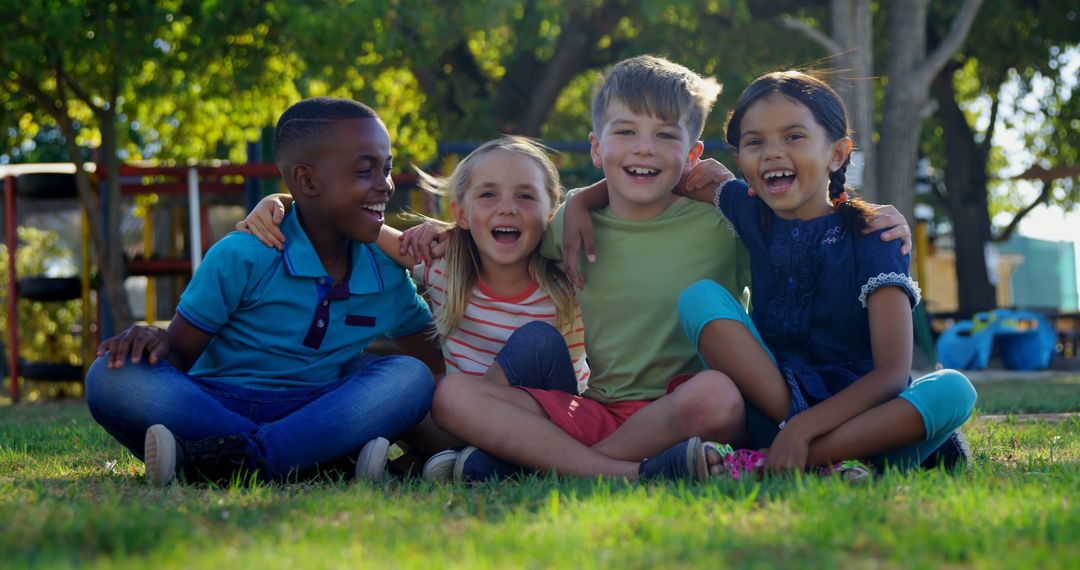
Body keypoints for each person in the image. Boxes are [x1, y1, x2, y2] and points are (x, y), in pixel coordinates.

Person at [84, 97, 440, 486]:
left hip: (319, 409)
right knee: (111, 376)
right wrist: (151, 342)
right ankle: (313, 461)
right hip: (214, 403)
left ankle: (227, 459)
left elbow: (438, 365)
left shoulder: (387, 274)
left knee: (410, 377)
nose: (385, 185)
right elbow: (180, 356)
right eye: (364, 170)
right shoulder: (243, 255)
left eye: (386, 169)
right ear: (305, 181)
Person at [671, 70, 977, 477]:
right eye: (754, 142)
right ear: (741, 160)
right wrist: (584, 200)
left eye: (793, 136)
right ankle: (837, 465)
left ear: (837, 153)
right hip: (773, 411)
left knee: (954, 390)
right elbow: (655, 175)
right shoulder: (748, 209)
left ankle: (784, 462)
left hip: (863, 417)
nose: (771, 153)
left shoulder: (874, 234)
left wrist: (803, 432)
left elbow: (890, 374)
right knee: (700, 298)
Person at [240, 136, 591, 478]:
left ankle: (452, 460)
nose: (507, 207)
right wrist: (280, 200)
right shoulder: (443, 266)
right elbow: (355, 220)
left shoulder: (570, 277)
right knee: (366, 371)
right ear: (462, 214)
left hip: (547, 424)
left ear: (552, 213)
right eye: (488, 194)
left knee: (535, 341)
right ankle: (472, 462)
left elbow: (632, 215)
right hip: (455, 424)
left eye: (526, 195)